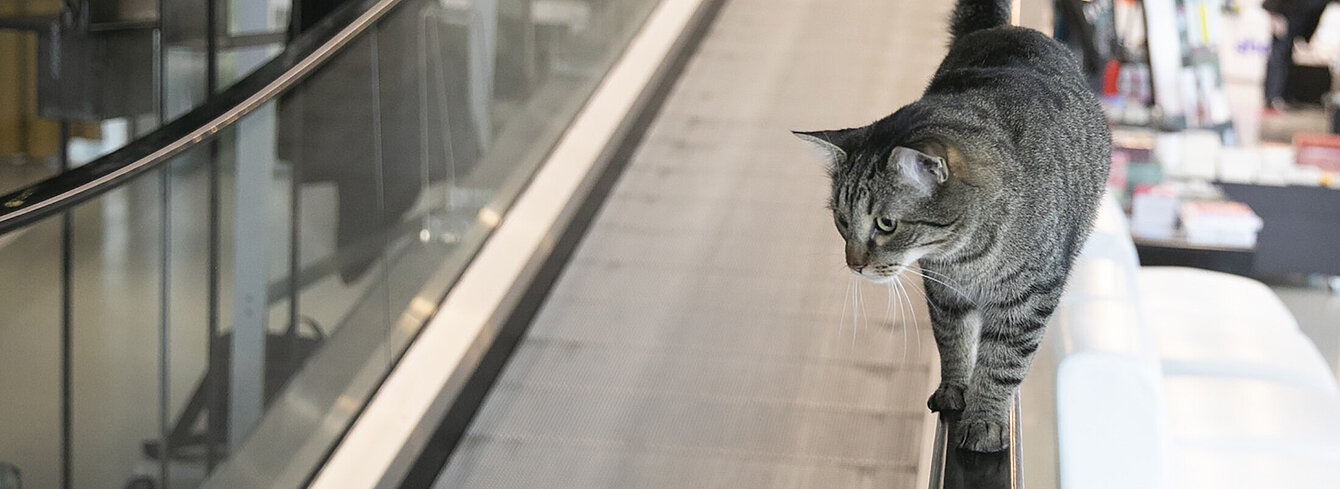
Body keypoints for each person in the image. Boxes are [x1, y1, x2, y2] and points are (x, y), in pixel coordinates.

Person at [1263, 0, 1336, 110]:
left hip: (1297, 18)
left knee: (1287, 57)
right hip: (1283, 16)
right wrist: (1275, 15)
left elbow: (1315, 13)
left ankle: (1284, 97)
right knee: (1279, 56)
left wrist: (1307, 38)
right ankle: (1273, 97)